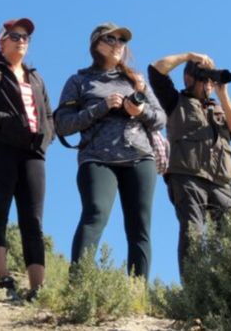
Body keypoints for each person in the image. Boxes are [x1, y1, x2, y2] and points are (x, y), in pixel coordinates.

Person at [55, 23, 166, 279]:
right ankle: (80, 285)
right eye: (111, 39)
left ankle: (138, 294)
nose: (118, 44)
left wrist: (140, 111)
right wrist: (100, 107)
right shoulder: (79, 81)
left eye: (122, 40)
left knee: (140, 227)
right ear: (96, 44)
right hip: (97, 159)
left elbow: (160, 119)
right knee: (95, 214)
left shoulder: (136, 80)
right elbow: (63, 124)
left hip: (139, 157)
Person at [0, 18, 54, 301]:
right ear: (1, 41)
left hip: (32, 153)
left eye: (26, 37)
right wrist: (5, 121)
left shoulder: (36, 78)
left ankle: (37, 288)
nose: (21, 41)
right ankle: (3, 279)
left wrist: (46, 139)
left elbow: (49, 115)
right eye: (15, 36)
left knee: (33, 220)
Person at [148, 52, 231, 278]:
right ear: (188, 78)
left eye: (210, 80)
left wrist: (223, 95)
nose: (207, 84)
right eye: (203, 78)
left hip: (219, 181)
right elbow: (156, 69)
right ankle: (193, 293)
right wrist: (189, 56)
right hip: (187, 175)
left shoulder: (218, 108)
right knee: (194, 231)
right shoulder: (175, 101)